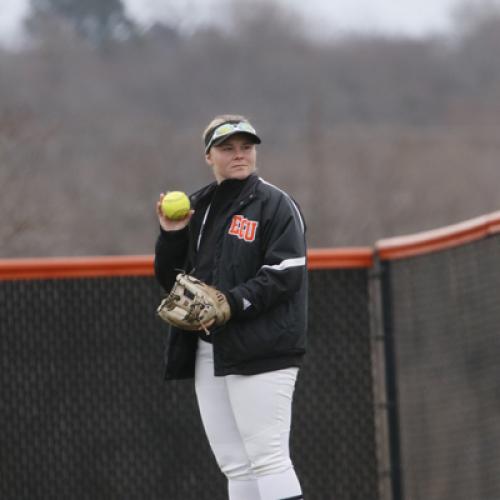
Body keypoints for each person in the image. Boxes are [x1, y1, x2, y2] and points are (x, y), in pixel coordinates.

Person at [154, 114, 308, 500]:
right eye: (227, 148)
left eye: (246, 147)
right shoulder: (198, 207)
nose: (239, 154)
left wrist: (231, 302)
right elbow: (171, 277)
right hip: (210, 348)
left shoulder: (274, 204)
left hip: (263, 346)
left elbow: (287, 272)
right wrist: (172, 236)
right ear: (209, 155)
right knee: (234, 463)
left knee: (268, 457)